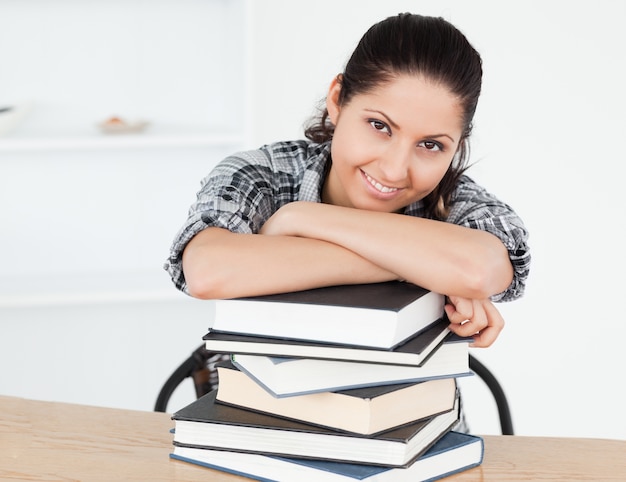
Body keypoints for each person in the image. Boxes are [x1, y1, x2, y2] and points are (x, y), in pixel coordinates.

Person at [165, 13, 530, 402]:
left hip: (411, 438)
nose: (393, 169)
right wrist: (426, 270)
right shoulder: (262, 174)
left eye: (430, 145)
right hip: (255, 426)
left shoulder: (452, 198)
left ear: (456, 146)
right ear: (337, 101)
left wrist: (302, 219)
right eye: (379, 126)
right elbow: (205, 270)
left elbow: (479, 268)